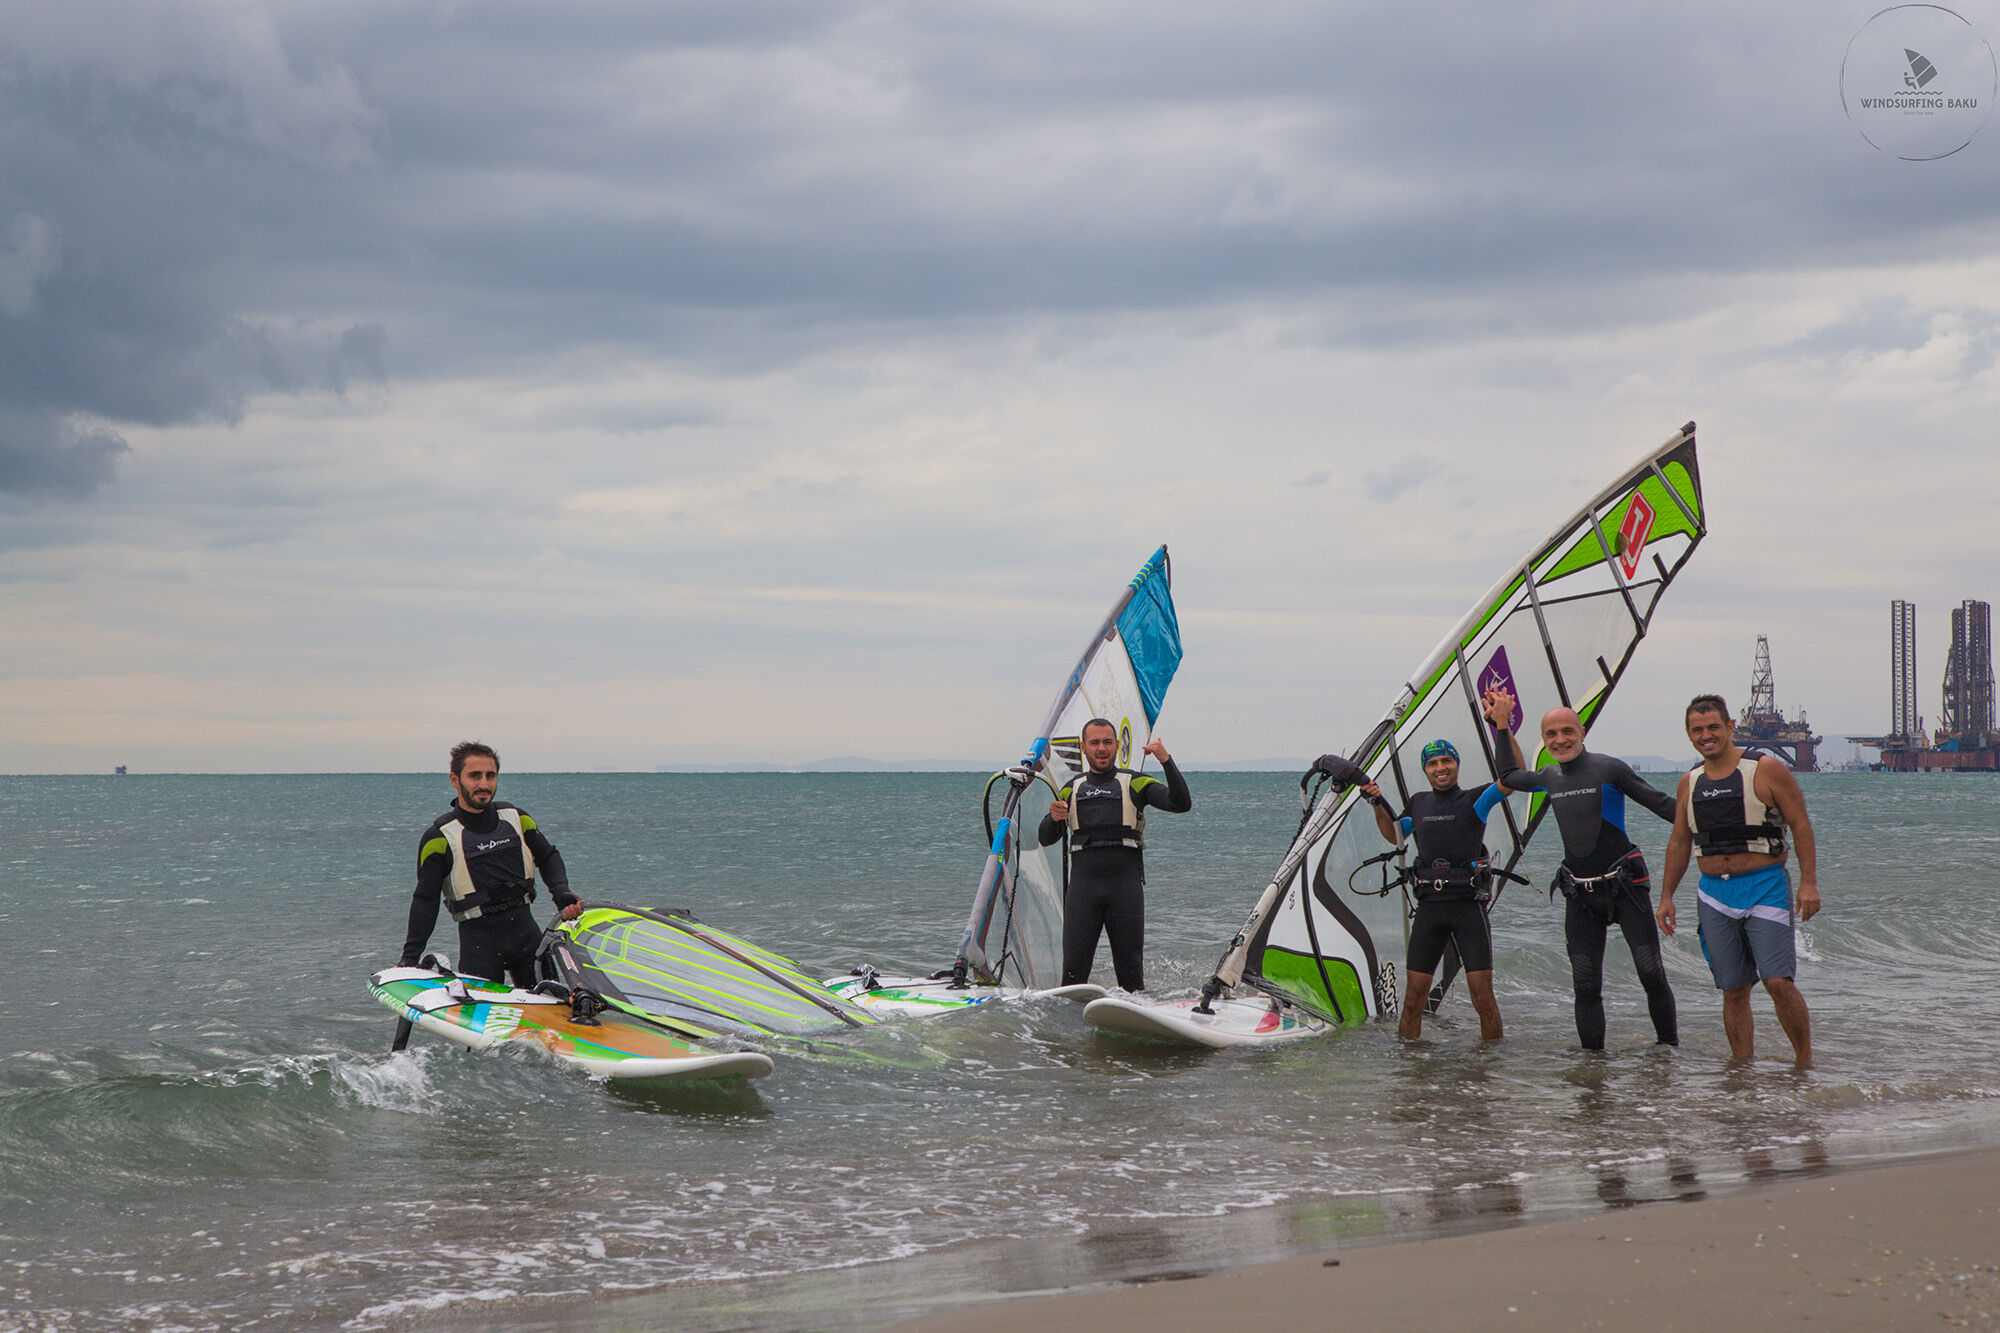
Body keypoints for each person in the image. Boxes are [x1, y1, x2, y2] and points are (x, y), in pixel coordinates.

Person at [1488, 689, 1679, 1050]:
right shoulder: (1548, 776)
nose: (1560, 740)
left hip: (1625, 886)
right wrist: (1501, 725)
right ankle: (1593, 1071)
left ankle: (1667, 1053)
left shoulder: (1609, 768)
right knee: (1586, 985)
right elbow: (1510, 776)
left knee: (1650, 972)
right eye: (1551, 735)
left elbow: (1664, 806)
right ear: (1544, 741)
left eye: (1567, 732)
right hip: (1579, 893)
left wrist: (1717, 820)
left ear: (1582, 733)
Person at [1655, 695, 1821, 1067]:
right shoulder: (1690, 782)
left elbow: (1800, 825)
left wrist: (1809, 882)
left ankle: (1804, 1064)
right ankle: (1741, 1072)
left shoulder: (1767, 770)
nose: (1706, 735)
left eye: (1713, 727)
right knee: (1733, 990)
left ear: (1730, 727)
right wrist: (1666, 896)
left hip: (1765, 886)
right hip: (1714, 894)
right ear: (1688, 734)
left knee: (1777, 982)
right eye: (1697, 730)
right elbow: (1680, 841)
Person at [1358, 694, 1526, 1041]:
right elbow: (1393, 834)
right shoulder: (1418, 804)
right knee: (1413, 1000)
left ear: (1457, 765)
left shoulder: (1475, 799)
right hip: (1430, 909)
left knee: (1483, 998)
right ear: (1426, 770)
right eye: (1432, 764)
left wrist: (1502, 726)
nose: (1440, 768)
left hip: (1468, 909)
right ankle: (1412, 1072)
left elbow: (1514, 779)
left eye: (1446, 761)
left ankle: (1489, 1070)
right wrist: (1376, 803)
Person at [399, 741, 583, 988]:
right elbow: (425, 900)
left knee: (556, 1017)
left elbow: (548, 856)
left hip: (528, 941)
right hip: (479, 949)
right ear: (455, 780)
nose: (484, 784)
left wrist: (561, 893)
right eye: (474, 776)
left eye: (490, 775)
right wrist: (410, 959)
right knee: (484, 1022)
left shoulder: (517, 818)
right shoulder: (439, 838)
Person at [1037, 719, 1193, 991]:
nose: (1101, 748)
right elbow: (1046, 837)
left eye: (1107, 742)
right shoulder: (1071, 789)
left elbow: (1181, 804)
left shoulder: (1134, 782)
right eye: (1095, 742)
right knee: (1073, 976)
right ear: (1083, 747)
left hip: (1125, 891)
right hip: (1083, 893)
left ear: (1117, 745)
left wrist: (1165, 760)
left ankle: (1135, 1026)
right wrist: (1053, 818)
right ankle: (1065, 1032)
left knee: (1131, 978)